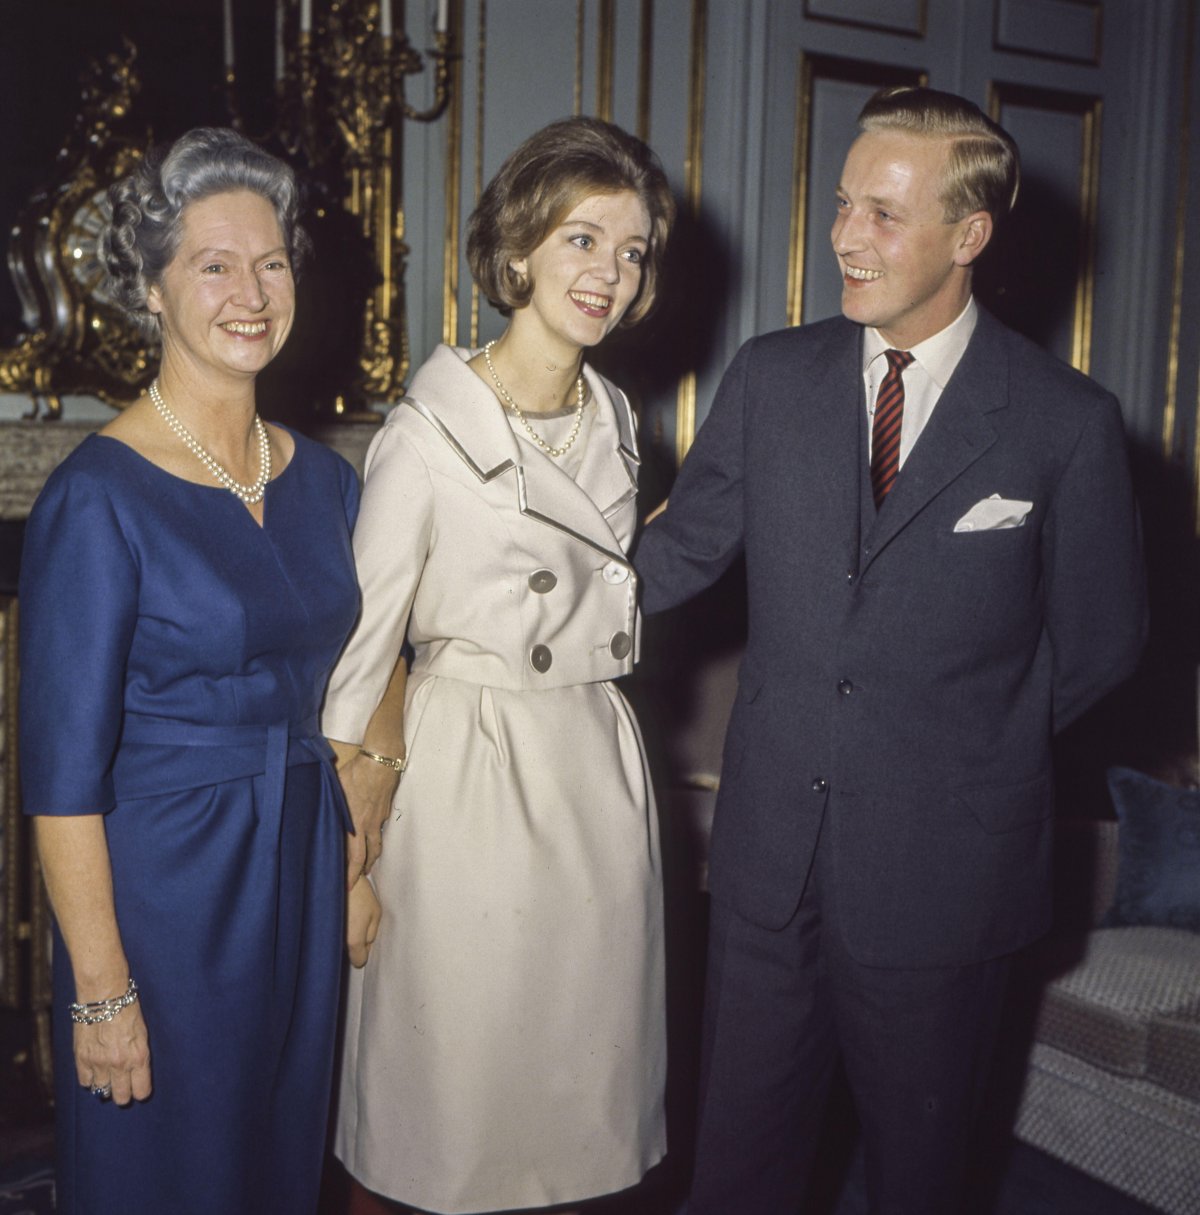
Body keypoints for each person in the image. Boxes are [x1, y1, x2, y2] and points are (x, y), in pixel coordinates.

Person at [634, 86, 1147, 1214]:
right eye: (842, 205)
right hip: (771, 871)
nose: (843, 237)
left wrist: (964, 749)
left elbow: (1106, 644)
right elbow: (671, 564)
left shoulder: (1064, 423)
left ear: (968, 237)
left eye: (882, 215)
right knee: (736, 1178)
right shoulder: (773, 379)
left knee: (923, 1183)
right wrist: (498, 608)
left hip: (947, 881)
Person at [321, 115, 675, 1215]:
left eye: (630, 250)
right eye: (582, 240)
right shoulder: (428, 432)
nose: (608, 274)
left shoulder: (615, 415)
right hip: (467, 775)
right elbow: (361, 647)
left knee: (575, 1116)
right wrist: (351, 856)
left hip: (593, 769)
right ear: (517, 252)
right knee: (446, 1107)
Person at [19, 128, 360, 1215]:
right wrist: (99, 990)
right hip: (164, 898)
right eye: (213, 265)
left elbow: (378, 658)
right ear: (153, 293)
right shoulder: (99, 497)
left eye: (271, 262)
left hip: (301, 867)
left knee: (277, 1167)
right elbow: (62, 783)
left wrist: (363, 844)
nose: (251, 292)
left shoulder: (325, 482)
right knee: (166, 1178)